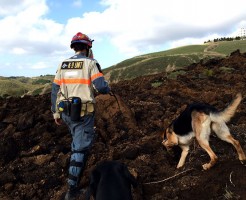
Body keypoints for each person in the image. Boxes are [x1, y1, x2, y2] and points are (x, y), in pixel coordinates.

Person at [51, 32, 110, 200]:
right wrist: (108, 88)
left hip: (65, 113)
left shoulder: (62, 64)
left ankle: (76, 164)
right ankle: (72, 190)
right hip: (83, 114)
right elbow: (101, 86)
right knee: (80, 148)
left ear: (73, 47)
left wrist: (55, 112)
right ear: (87, 47)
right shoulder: (90, 63)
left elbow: (55, 90)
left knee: (76, 140)